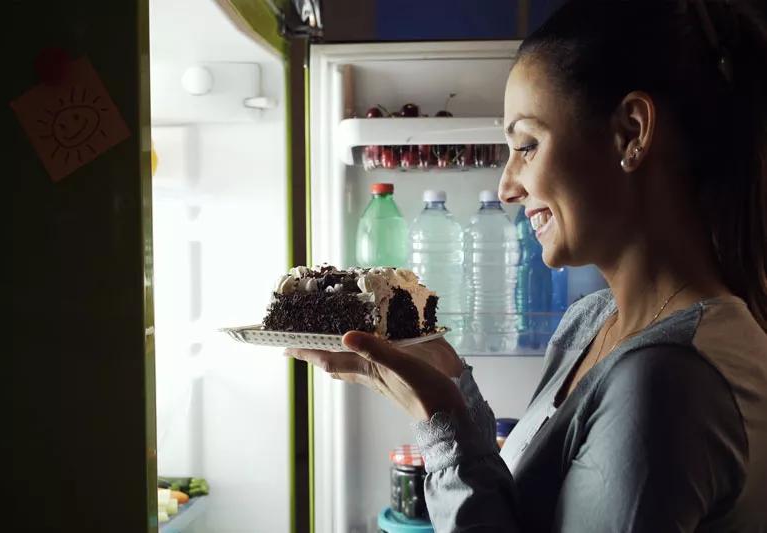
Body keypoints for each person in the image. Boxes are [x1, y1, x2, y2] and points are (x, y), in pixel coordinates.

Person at [286, 0, 767, 530]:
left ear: (631, 132)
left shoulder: (668, 381)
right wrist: (453, 389)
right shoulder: (592, 320)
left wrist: (442, 428)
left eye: (528, 145)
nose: (507, 186)